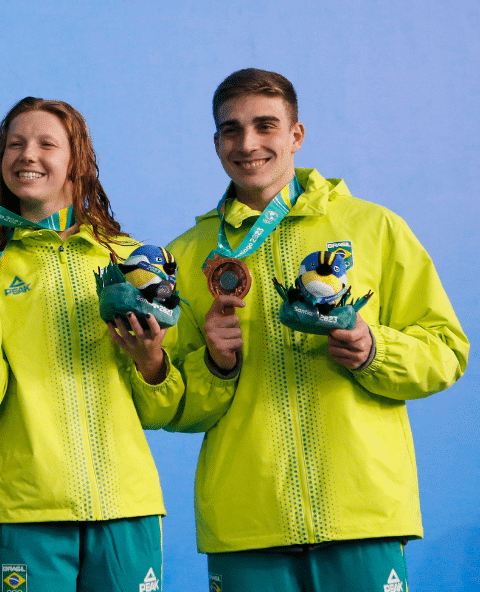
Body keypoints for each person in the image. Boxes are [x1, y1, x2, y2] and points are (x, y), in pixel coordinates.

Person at [164, 68, 470, 592]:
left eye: (265, 125)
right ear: (216, 144)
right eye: (232, 130)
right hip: (246, 521)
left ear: (296, 135)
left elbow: (447, 351)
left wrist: (375, 350)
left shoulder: (375, 228)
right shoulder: (189, 255)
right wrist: (215, 365)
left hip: (362, 514)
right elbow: (165, 404)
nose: (248, 143)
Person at [0, 97, 184, 592]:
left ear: (78, 161)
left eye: (46, 144)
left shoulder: (131, 261)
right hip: (24, 508)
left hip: (126, 506)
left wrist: (149, 360)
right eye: (14, 144)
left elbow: (163, 408)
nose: (27, 155)